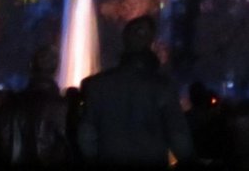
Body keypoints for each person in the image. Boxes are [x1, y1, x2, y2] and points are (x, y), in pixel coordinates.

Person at [77, 15, 193, 167]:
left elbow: (87, 136)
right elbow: (178, 137)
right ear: (151, 43)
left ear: (124, 41)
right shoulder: (162, 87)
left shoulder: (97, 85)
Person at [0, 46, 70, 166]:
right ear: (56, 69)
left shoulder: (11, 103)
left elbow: (2, 141)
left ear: (31, 66)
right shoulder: (62, 106)